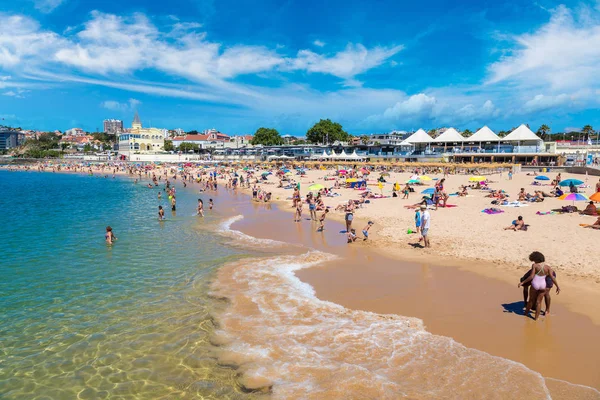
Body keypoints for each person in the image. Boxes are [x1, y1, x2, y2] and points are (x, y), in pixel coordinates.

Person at [518, 251, 560, 320]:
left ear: (536, 260)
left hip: (543, 280)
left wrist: (522, 282)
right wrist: (557, 286)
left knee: (534, 298)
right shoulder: (548, 267)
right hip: (547, 279)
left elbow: (531, 277)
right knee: (539, 301)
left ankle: (526, 312)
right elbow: (552, 277)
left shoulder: (534, 266)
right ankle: (537, 318)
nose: (533, 262)